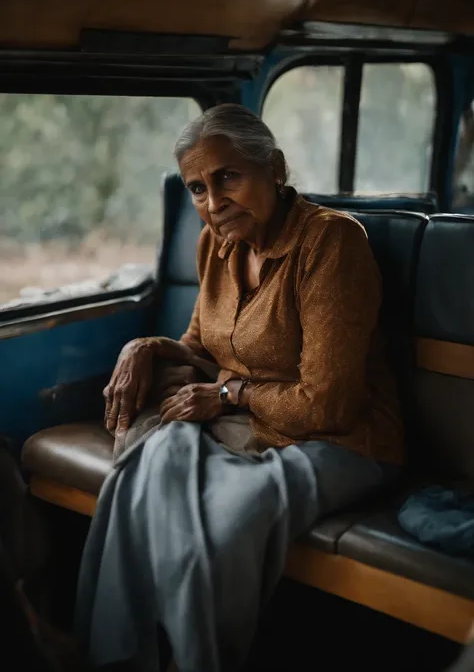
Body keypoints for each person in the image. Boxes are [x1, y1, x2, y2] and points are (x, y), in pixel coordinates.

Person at [75, 104, 404, 672]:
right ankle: (129, 657)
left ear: (274, 168)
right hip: (244, 426)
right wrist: (145, 348)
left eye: (228, 177)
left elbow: (330, 403)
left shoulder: (331, 243)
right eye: (197, 189)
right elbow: (203, 348)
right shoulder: (217, 245)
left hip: (343, 440)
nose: (213, 202)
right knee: (147, 469)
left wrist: (228, 396)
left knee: (221, 528)